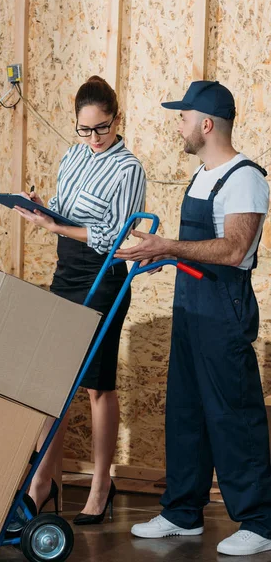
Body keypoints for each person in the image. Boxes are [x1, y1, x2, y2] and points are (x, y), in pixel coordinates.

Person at [115, 80, 271, 556]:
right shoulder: (203, 174)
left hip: (223, 311)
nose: (178, 125)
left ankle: (261, 521)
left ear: (206, 124)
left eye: (183, 117)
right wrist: (158, 256)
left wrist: (167, 245)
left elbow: (234, 248)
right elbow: (195, 251)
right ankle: (183, 512)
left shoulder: (244, 176)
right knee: (186, 413)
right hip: (190, 307)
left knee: (233, 415)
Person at [14, 75, 146, 524]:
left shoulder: (129, 169)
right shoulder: (71, 156)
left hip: (103, 275)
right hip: (66, 271)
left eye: (101, 129)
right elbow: (62, 207)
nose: (93, 139)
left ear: (117, 120)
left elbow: (115, 236)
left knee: (95, 385)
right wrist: (40, 209)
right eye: (84, 130)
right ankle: (43, 481)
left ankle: (100, 487)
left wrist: (58, 227)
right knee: (53, 383)